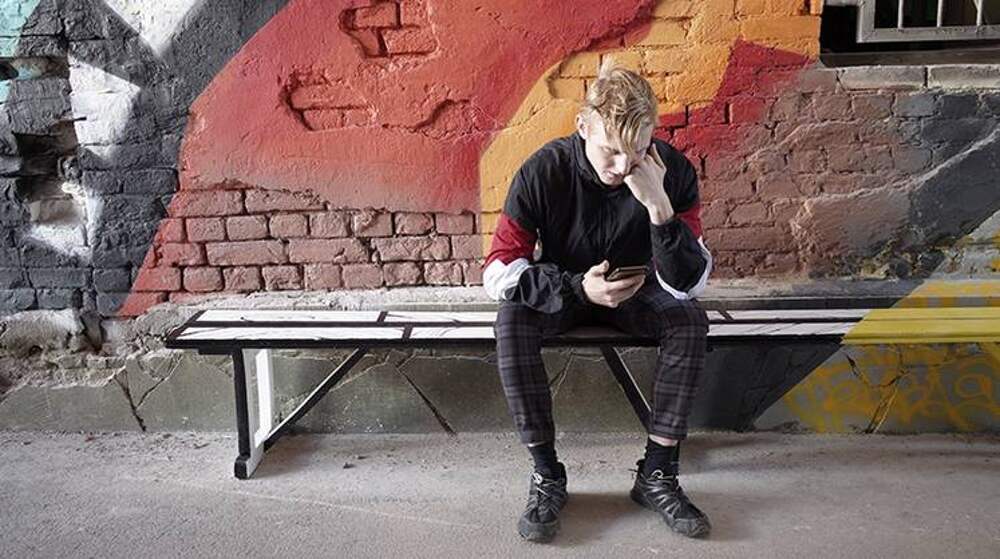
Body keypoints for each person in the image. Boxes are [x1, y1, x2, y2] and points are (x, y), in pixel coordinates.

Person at [482, 59, 714, 542]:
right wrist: (575, 288)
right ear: (583, 126)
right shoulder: (544, 170)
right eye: (611, 151)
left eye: (638, 150)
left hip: (639, 291)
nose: (623, 166)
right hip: (566, 289)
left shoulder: (670, 171)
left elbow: (689, 284)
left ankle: (657, 473)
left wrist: (658, 207)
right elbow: (499, 271)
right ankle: (547, 474)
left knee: (689, 319)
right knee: (511, 320)